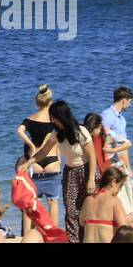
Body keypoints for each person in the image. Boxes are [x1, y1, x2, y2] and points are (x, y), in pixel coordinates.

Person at [15, 84, 62, 232]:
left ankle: (29, 234)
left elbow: (19, 130)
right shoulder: (55, 120)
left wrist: (30, 144)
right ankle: (52, 233)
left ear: (37, 103)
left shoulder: (30, 119)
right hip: (52, 161)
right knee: (52, 202)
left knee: (32, 202)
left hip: (34, 163)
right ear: (50, 102)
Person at [50, 99, 95, 243]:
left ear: (61, 116)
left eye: (53, 117)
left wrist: (91, 179)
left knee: (87, 210)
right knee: (70, 211)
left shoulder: (80, 131)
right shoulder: (57, 133)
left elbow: (92, 156)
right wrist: (30, 161)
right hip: (70, 172)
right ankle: (73, 241)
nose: (51, 120)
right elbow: (44, 150)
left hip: (87, 170)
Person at [79, 166, 133, 244]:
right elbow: (125, 229)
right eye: (120, 186)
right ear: (113, 182)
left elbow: (81, 222)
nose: (120, 189)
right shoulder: (114, 201)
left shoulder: (88, 200)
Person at [100, 86, 133, 176]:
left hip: (119, 163)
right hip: (109, 163)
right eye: (130, 101)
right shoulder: (107, 115)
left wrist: (128, 168)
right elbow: (104, 140)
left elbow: (123, 147)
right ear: (124, 101)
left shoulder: (122, 119)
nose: (130, 105)